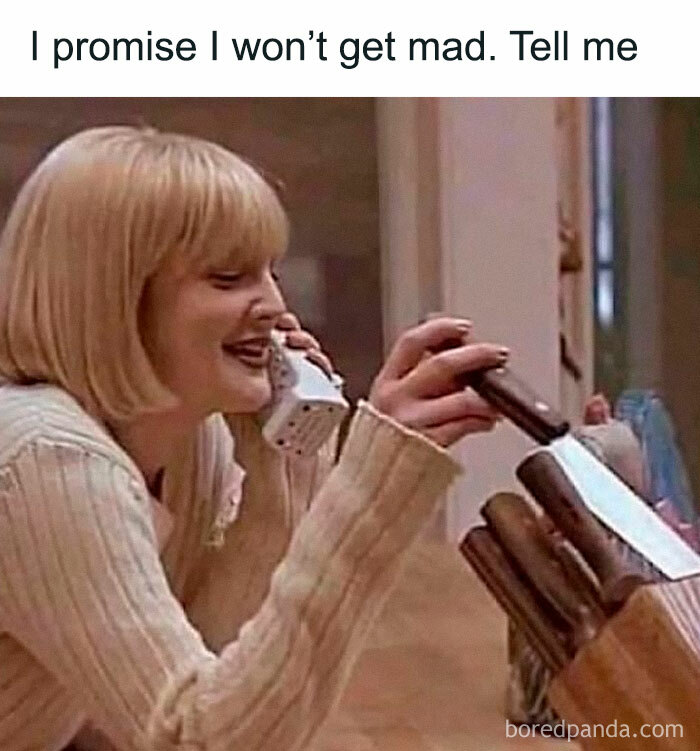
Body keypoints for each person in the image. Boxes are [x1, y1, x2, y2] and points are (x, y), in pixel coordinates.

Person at [0, 126, 508, 751]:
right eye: (227, 277)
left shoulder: (195, 440)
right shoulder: (48, 460)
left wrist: (280, 486)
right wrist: (372, 488)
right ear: (112, 299)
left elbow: (202, 687)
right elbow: (199, 739)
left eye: (270, 272)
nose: (273, 304)